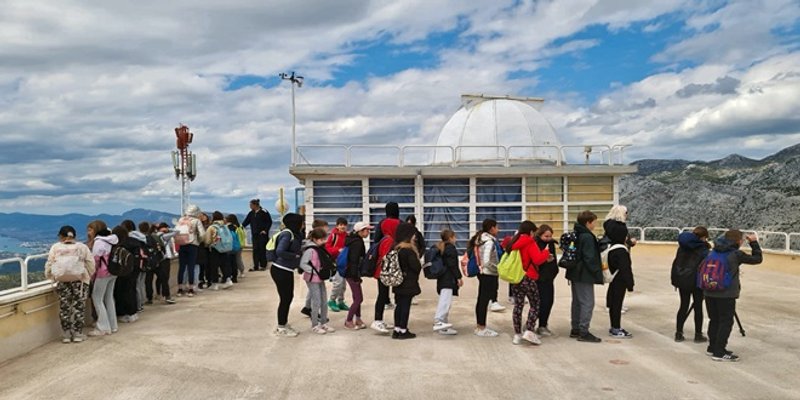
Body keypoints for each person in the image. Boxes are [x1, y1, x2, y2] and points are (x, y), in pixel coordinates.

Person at [704, 230, 762, 362]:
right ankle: (719, 352)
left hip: (709, 291)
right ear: (738, 241)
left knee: (714, 320)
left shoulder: (712, 252)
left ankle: (712, 347)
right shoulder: (736, 254)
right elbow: (757, 259)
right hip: (726, 293)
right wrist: (753, 242)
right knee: (726, 321)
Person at [45, 225, 95, 343]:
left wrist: (51, 277)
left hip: (62, 281)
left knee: (64, 307)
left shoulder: (55, 247)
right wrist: (87, 275)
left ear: (61, 236)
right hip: (80, 282)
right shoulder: (82, 247)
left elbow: (49, 264)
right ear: (74, 236)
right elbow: (91, 264)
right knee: (79, 307)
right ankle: (77, 334)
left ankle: (66, 335)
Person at [507, 221, 551, 345]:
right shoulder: (530, 242)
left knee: (518, 306)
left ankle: (517, 334)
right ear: (531, 232)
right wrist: (546, 252)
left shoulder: (513, 241)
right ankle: (530, 331)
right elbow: (537, 259)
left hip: (516, 277)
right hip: (528, 276)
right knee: (535, 303)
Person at [567, 211, 603, 343]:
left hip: (574, 273)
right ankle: (584, 331)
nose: (595, 224)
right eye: (594, 222)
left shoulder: (577, 233)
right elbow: (589, 257)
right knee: (587, 302)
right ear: (588, 222)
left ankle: (575, 328)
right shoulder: (587, 237)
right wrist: (597, 272)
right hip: (584, 274)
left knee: (577, 301)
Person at [672, 226, 711, 343]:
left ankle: (678, 333)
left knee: (683, 305)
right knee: (698, 307)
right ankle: (698, 335)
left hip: (682, 279)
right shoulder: (703, 249)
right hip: (696, 281)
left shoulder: (682, 246)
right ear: (704, 237)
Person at [467, 219, 503, 337]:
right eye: (497, 227)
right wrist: (498, 268)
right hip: (488, 273)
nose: (498, 229)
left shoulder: (480, 239)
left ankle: (480, 326)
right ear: (491, 228)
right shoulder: (489, 241)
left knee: (482, 299)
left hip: (482, 273)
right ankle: (481, 327)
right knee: (484, 300)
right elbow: (486, 260)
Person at [271, 213, 304, 337]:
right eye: (301, 222)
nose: (303, 224)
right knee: (285, 298)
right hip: (280, 270)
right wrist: (295, 256)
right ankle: (281, 327)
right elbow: (280, 251)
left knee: (288, 297)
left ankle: (283, 323)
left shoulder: (294, 234)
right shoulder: (287, 234)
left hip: (286, 270)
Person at [604, 211, 635, 338]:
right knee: (617, 304)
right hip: (620, 280)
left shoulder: (611, 247)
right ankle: (616, 328)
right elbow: (626, 268)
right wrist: (630, 284)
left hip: (613, 278)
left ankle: (614, 326)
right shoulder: (621, 250)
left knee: (613, 303)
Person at [300, 228, 336, 334]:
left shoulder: (319, 248)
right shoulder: (310, 250)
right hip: (312, 278)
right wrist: (315, 272)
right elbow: (303, 264)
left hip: (320, 277)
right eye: (321, 239)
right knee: (316, 302)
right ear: (315, 239)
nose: (324, 241)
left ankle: (323, 322)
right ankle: (314, 325)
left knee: (324, 300)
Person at [370, 210, 400, 334]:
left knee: (382, 294)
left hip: (380, 267)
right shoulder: (399, 224)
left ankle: (378, 319)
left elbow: (375, 240)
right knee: (398, 294)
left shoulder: (382, 225)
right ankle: (398, 322)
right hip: (394, 267)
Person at [86, 220, 119, 336]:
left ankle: (103, 327)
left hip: (102, 273)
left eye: (90, 229)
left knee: (97, 298)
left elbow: (95, 261)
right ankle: (112, 325)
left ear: (96, 230)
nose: (88, 232)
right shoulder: (112, 240)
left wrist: (91, 275)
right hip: (113, 272)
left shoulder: (99, 242)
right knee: (109, 298)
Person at [391, 222, 422, 340]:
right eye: (413, 234)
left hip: (397, 282)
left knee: (398, 306)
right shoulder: (408, 251)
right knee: (405, 306)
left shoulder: (397, 249)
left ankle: (397, 329)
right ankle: (403, 330)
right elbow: (416, 267)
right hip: (407, 283)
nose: (415, 237)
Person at [432, 229, 461, 336]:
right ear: (450, 238)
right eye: (454, 237)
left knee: (446, 301)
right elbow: (453, 265)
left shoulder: (442, 247)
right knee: (445, 301)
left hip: (443, 278)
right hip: (448, 279)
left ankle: (443, 325)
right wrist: (458, 277)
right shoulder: (450, 249)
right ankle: (438, 320)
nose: (456, 239)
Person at [343, 222, 371, 330]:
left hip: (352, 273)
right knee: (359, 298)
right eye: (366, 230)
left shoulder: (354, 240)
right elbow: (354, 261)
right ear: (360, 231)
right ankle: (348, 320)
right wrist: (355, 276)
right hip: (352, 273)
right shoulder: (357, 243)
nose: (368, 232)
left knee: (357, 297)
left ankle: (358, 319)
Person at [302, 219, 330, 317]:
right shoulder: (314, 242)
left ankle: (307, 307)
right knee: (316, 292)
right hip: (315, 271)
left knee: (314, 290)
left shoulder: (317, 239)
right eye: (326, 226)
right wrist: (315, 271)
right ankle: (311, 311)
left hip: (316, 271)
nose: (328, 228)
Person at [114, 224, 142, 322]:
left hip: (122, 271)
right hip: (135, 269)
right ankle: (133, 312)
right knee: (132, 290)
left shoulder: (119, 244)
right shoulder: (136, 242)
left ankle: (123, 313)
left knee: (121, 292)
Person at [176, 205, 205, 297]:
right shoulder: (197, 221)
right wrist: (198, 241)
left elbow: (176, 232)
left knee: (181, 267)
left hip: (182, 245)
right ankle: (191, 289)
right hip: (192, 245)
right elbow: (202, 234)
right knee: (191, 267)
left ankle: (180, 288)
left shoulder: (181, 220)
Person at [534, 225, 558, 337]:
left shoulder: (551, 244)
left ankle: (543, 323)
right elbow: (536, 260)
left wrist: (554, 270)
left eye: (550, 236)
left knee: (548, 301)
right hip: (539, 277)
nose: (548, 238)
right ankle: (536, 323)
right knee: (539, 302)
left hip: (549, 277)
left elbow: (553, 260)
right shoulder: (536, 244)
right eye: (546, 236)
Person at [325, 217, 349, 312]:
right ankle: (332, 300)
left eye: (344, 225)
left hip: (344, 262)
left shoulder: (347, 236)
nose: (342, 226)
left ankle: (341, 301)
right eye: (340, 225)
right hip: (335, 262)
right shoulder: (333, 235)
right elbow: (327, 248)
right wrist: (337, 250)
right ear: (337, 226)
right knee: (338, 283)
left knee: (343, 284)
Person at [205, 211, 233, 290]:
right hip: (225, 248)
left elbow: (207, 240)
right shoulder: (225, 226)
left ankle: (215, 283)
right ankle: (228, 279)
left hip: (215, 248)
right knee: (225, 265)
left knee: (214, 266)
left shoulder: (212, 227)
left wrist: (207, 245)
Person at [243, 199, 273, 271]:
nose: (250, 206)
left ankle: (263, 265)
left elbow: (269, 222)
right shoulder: (251, 213)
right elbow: (246, 222)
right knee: (255, 250)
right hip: (255, 234)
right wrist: (239, 227)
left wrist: (265, 230)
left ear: (255, 205)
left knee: (262, 249)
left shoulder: (264, 212)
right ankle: (255, 265)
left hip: (262, 234)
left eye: (251, 205)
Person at [155, 222, 177, 304]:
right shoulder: (164, 236)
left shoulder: (155, 235)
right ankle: (167, 296)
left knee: (160, 278)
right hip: (164, 258)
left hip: (159, 259)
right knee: (165, 278)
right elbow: (177, 232)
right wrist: (169, 229)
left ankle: (159, 293)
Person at [226, 214, 246, 281]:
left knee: (234, 260)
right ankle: (242, 271)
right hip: (240, 244)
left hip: (234, 245)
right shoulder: (240, 226)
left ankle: (235, 273)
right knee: (238, 258)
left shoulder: (230, 227)